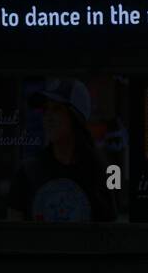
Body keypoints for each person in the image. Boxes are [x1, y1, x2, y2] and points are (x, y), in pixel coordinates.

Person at [7, 78, 116, 223]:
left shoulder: (99, 173)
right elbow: (14, 235)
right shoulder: (27, 172)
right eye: (45, 109)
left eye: (57, 109)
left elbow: (108, 237)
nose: (47, 117)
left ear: (76, 117)